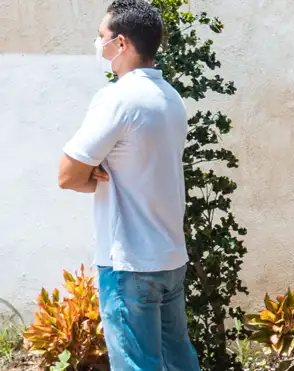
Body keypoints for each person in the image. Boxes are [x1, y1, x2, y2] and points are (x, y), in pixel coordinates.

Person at [57, 1, 199, 369]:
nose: (97, 44)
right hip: (169, 257)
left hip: (128, 262)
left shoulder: (118, 97)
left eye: (101, 37)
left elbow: (67, 174)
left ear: (120, 43)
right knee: (179, 360)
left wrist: (95, 178)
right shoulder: (171, 98)